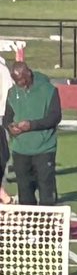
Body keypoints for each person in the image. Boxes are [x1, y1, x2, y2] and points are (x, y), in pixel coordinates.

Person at [4, 62, 61, 205]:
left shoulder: (49, 90)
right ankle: (28, 225)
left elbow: (55, 117)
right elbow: (7, 117)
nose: (19, 83)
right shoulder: (12, 93)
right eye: (16, 81)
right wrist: (10, 127)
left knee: (46, 190)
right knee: (24, 192)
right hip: (20, 150)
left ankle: (49, 224)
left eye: (21, 80)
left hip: (44, 148)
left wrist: (32, 125)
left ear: (28, 73)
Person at [0, 54, 13, 203]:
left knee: (2, 156)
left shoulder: (2, 69)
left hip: (2, 115)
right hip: (3, 115)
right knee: (3, 156)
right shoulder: (3, 69)